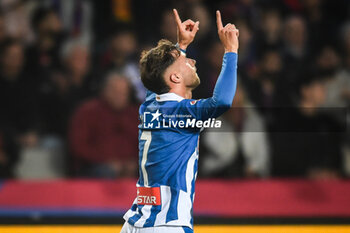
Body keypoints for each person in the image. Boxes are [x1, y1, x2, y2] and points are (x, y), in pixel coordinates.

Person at [121, 9, 239, 233]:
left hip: (135, 222)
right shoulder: (181, 112)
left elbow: (159, 78)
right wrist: (231, 51)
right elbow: (221, 102)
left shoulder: (150, 105)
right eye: (186, 60)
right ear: (175, 77)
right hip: (167, 225)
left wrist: (181, 46)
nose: (193, 61)